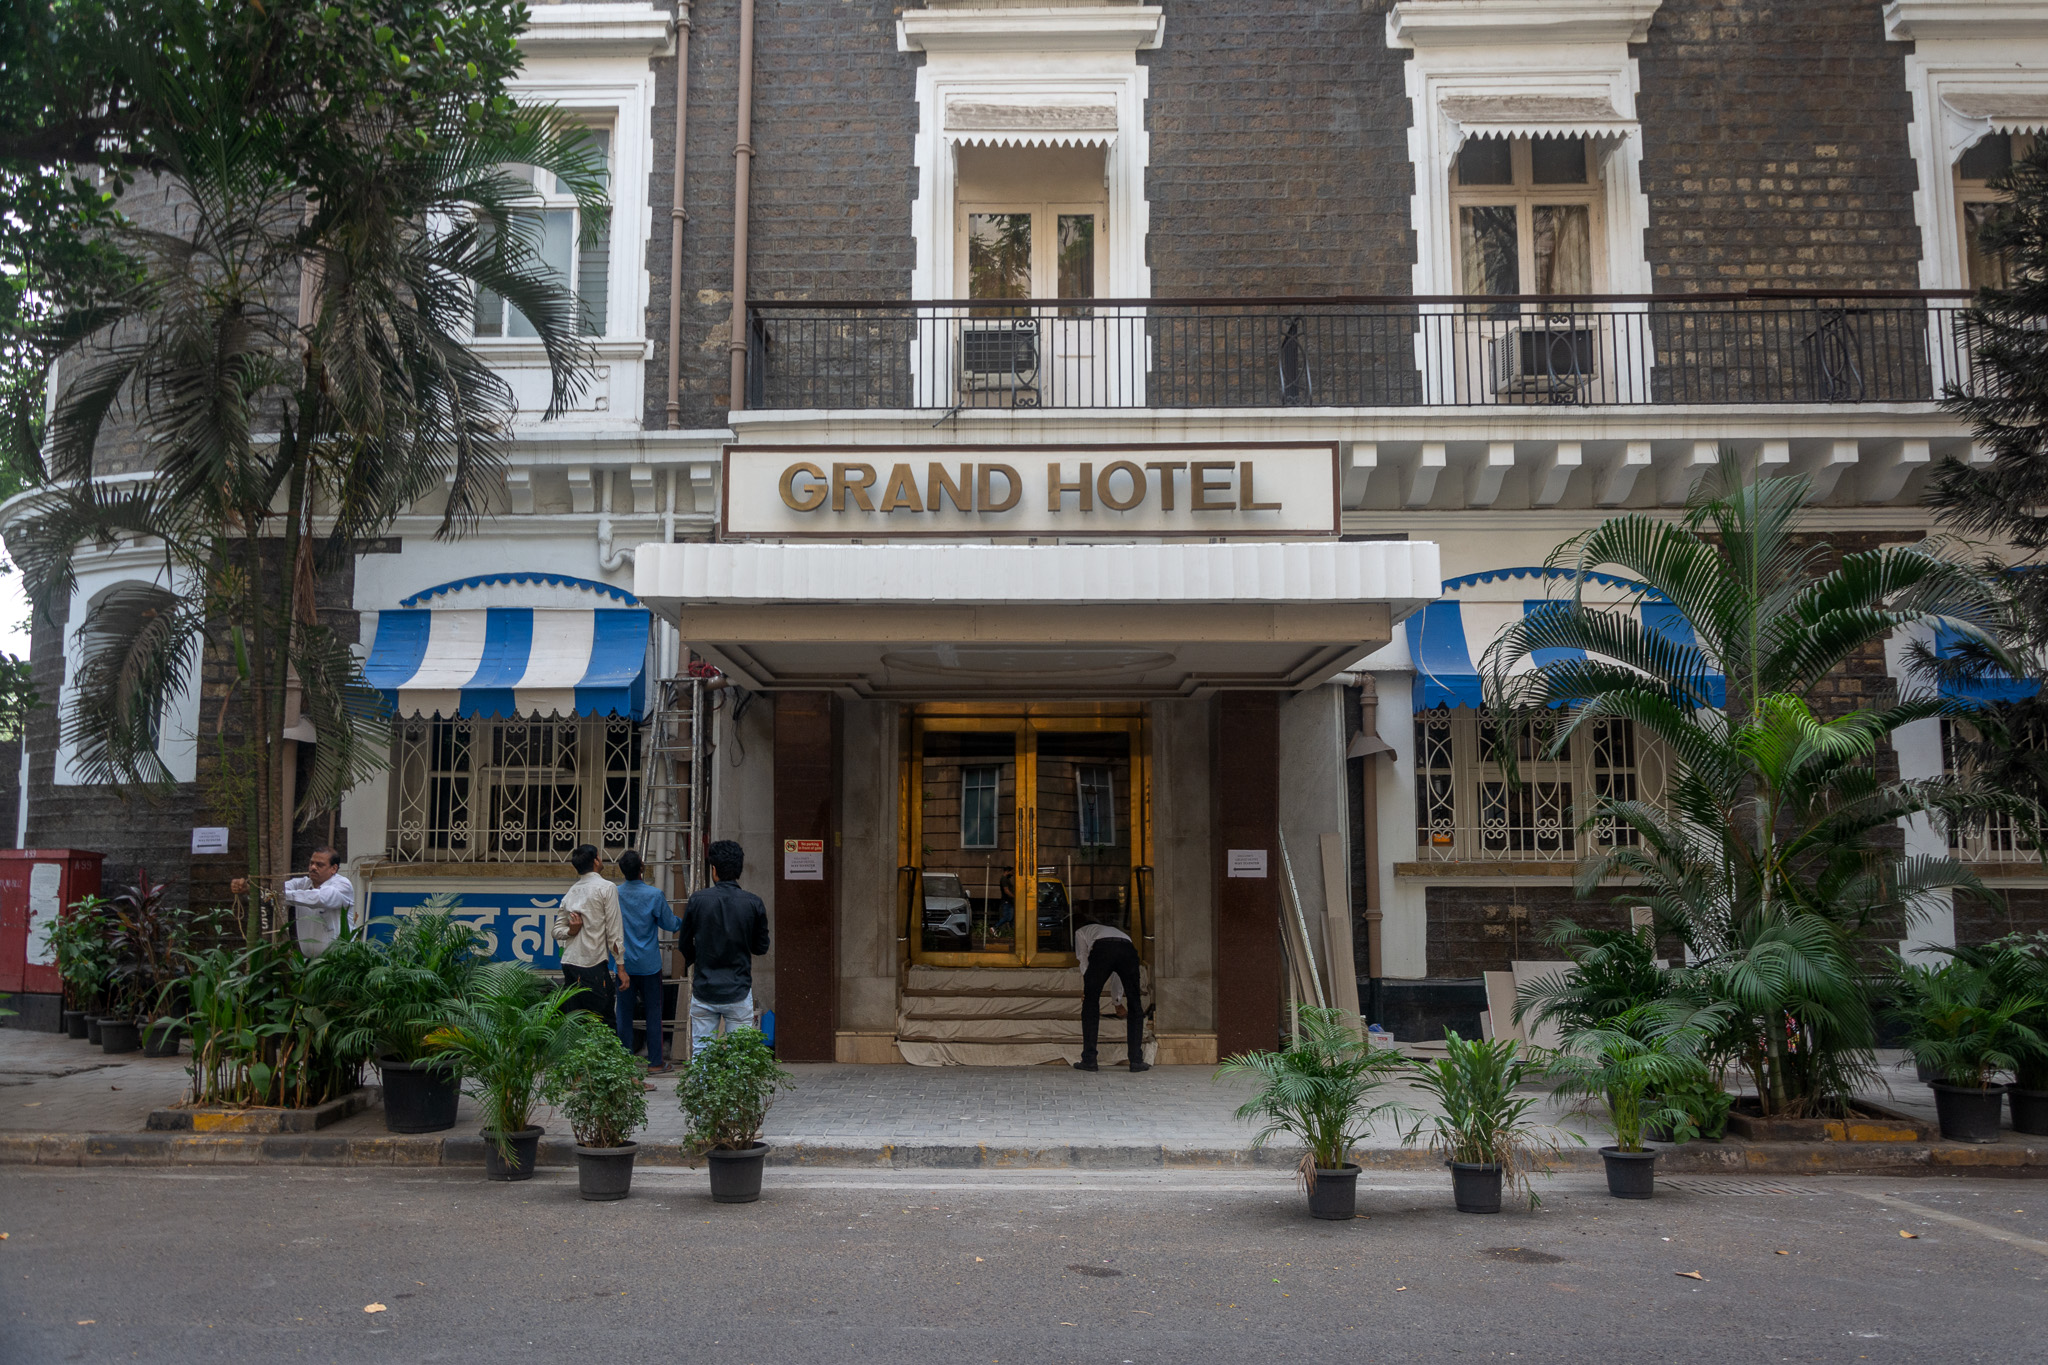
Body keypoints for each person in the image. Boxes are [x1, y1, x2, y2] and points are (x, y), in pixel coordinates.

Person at [677, 839, 770, 1053]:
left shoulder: (697, 900)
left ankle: (703, 1078)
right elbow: (761, 947)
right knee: (739, 1054)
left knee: (702, 1052)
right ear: (739, 869)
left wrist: (697, 959)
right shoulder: (753, 903)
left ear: (714, 870)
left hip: (704, 987)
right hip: (738, 988)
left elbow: (684, 944)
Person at [614, 849, 681, 1077]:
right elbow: (669, 924)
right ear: (642, 868)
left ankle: (623, 1063)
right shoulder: (654, 895)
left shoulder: (615, 894)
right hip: (650, 965)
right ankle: (655, 1062)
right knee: (654, 1013)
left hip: (623, 964)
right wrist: (685, 921)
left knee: (624, 1014)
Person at [553, 844, 628, 1020]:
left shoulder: (571, 892)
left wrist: (571, 931)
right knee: (603, 1020)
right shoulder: (607, 888)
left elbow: (556, 931)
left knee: (577, 1020)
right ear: (596, 861)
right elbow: (614, 931)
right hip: (592, 963)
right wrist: (621, 967)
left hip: (570, 963)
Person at [1073, 911, 1148, 1073]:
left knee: (1091, 1004)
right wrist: (1117, 1002)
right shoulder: (1118, 933)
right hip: (1127, 949)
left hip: (1103, 949)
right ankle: (1136, 1061)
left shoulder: (1081, 931)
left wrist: (1088, 987)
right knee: (1135, 1003)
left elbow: (1083, 958)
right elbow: (1117, 975)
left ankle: (1089, 1060)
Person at [249, 848, 355, 955]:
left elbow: (319, 898)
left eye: (319, 865)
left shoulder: (343, 885)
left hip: (340, 959)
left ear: (333, 868)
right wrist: (251, 888)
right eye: (311, 863)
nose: (313, 867)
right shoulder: (302, 884)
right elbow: (274, 889)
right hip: (309, 960)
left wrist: (279, 895)